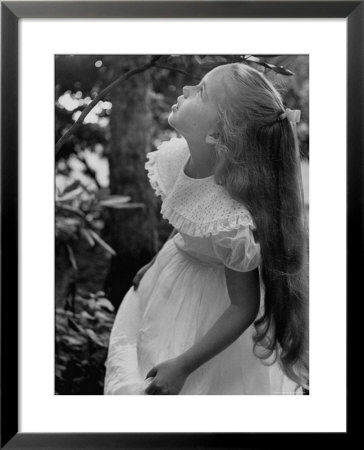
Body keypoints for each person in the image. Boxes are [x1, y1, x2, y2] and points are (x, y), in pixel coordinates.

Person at [104, 62, 309, 395]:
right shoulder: (174, 159)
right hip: (174, 271)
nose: (185, 91)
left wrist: (184, 364)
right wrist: (156, 261)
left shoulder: (231, 218)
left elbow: (243, 307)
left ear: (215, 133)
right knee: (143, 352)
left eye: (200, 91)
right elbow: (188, 217)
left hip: (213, 305)